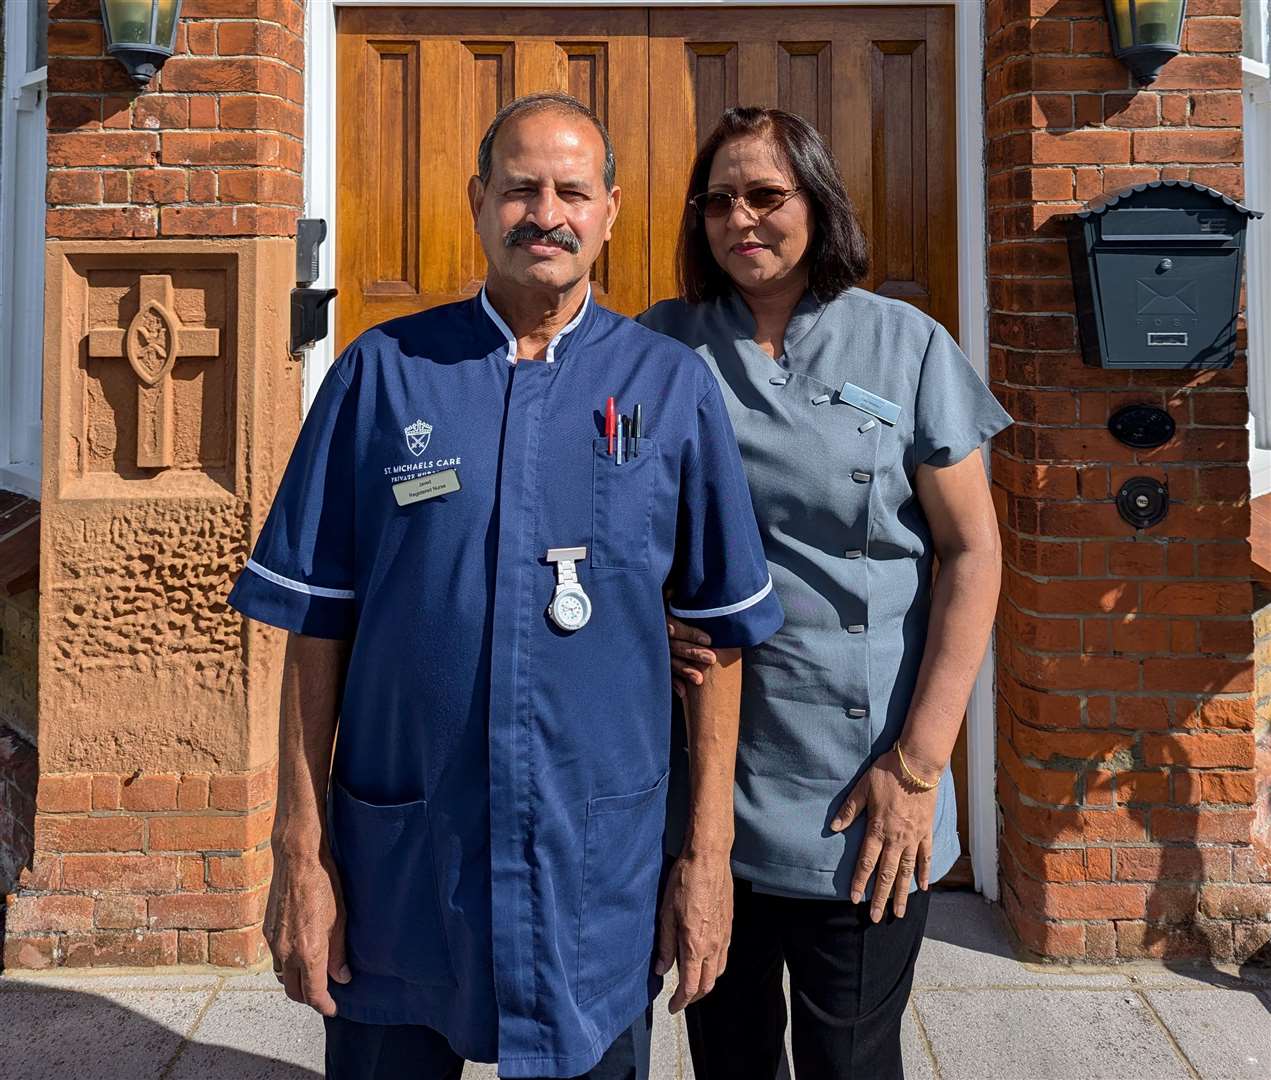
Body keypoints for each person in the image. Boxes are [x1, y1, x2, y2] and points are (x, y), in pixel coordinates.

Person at [227, 92, 783, 1080]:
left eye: (572, 190)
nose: (546, 212)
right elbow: (313, 626)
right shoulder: (382, 376)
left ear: (610, 209)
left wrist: (704, 859)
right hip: (402, 861)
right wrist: (300, 856)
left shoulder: (668, 388)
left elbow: (720, 639)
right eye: (520, 188)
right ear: (478, 201)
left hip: (592, 868)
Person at [639, 106, 1013, 1080]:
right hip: (706, 787)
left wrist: (919, 767)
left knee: (851, 1062)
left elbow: (971, 554)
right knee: (726, 1056)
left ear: (816, 203)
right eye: (717, 200)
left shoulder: (906, 346)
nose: (740, 219)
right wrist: (645, 619)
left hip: (866, 785)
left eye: (765, 195)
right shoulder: (658, 348)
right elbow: (592, 525)